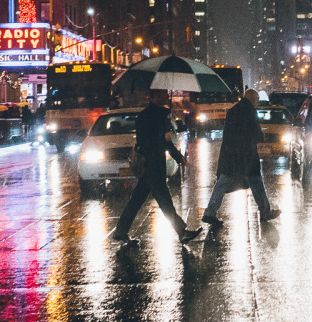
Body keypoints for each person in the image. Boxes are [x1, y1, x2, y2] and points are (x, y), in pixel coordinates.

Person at [110, 89, 200, 246]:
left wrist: (177, 156)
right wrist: (164, 139)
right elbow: (150, 140)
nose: (166, 96)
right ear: (155, 96)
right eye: (163, 93)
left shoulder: (161, 114)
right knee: (165, 201)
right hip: (151, 164)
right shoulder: (150, 115)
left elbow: (165, 141)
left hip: (152, 164)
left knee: (137, 200)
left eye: (166, 93)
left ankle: (121, 231)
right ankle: (182, 232)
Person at [201, 89, 281, 228]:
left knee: (223, 182)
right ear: (252, 99)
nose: (257, 103)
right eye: (256, 99)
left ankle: (210, 212)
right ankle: (265, 211)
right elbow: (256, 134)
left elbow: (227, 136)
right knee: (256, 182)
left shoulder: (233, 111)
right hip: (247, 155)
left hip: (232, 155)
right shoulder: (250, 111)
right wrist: (260, 138)